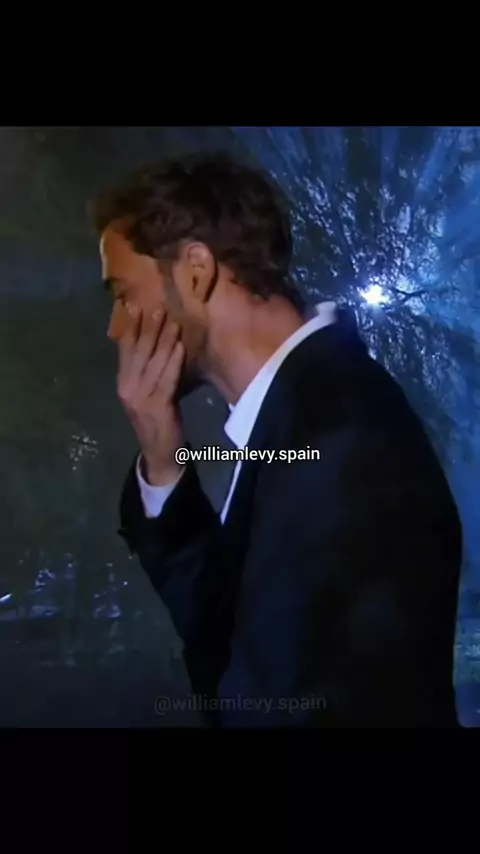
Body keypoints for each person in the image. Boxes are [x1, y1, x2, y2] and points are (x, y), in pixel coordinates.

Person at [92, 151, 462, 727]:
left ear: (195, 271)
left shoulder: (338, 437)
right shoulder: (307, 417)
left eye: (122, 293)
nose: (116, 328)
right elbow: (236, 647)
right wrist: (164, 467)